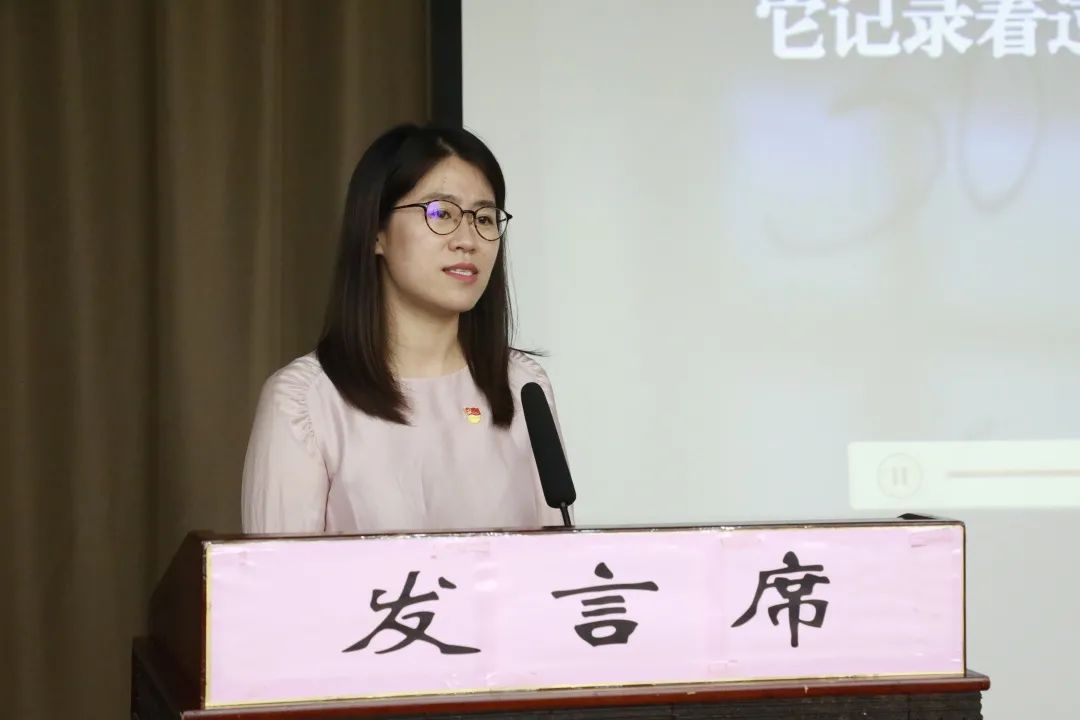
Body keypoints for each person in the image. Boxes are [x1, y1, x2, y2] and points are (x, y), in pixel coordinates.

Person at [240, 124, 566, 533]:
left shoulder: (523, 386)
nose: (468, 240)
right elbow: (275, 572)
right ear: (376, 232)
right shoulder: (305, 401)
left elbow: (560, 560)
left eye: (484, 218)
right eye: (441, 213)